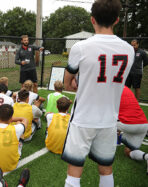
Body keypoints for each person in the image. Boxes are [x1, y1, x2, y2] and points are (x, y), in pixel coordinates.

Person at [62, 1, 134, 187]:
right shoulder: (129, 50)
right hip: (109, 118)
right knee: (106, 169)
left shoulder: (81, 47)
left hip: (83, 118)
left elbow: (67, 83)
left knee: (74, 172)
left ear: (92, 19)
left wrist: (80, 84)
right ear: (117, 20)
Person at [0, 104, 27, 172]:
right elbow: (24, 120)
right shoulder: (17, 129)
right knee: (20, 124)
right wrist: (12, 119)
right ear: (11, 117)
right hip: (11, 166)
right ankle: (19, 150)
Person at [117, 86, 148, 169]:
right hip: (143, 124)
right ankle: (146, 157)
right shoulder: (126, 89)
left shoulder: (110, 91)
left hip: (128, 125)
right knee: (129, 151)